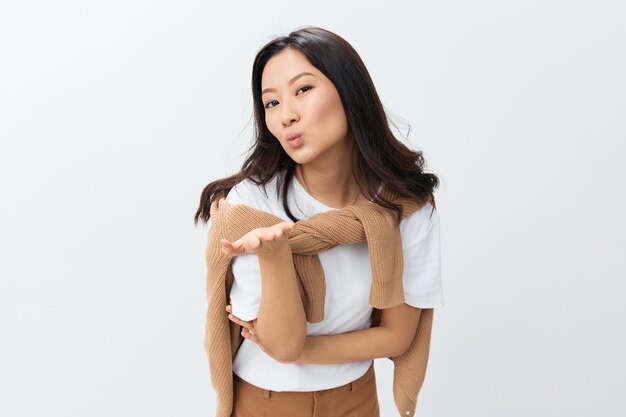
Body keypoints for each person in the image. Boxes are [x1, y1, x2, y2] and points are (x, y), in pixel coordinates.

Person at [194, 25, 444, 417]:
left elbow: (397, 336)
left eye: (303, 90)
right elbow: (283, 344)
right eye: (271, 103)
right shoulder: (249, 206)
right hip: (264, 404)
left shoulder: (405, 207)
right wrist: (276, 254)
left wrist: (305, 352)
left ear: (350, 92)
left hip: (357, 400)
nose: (286, 116)